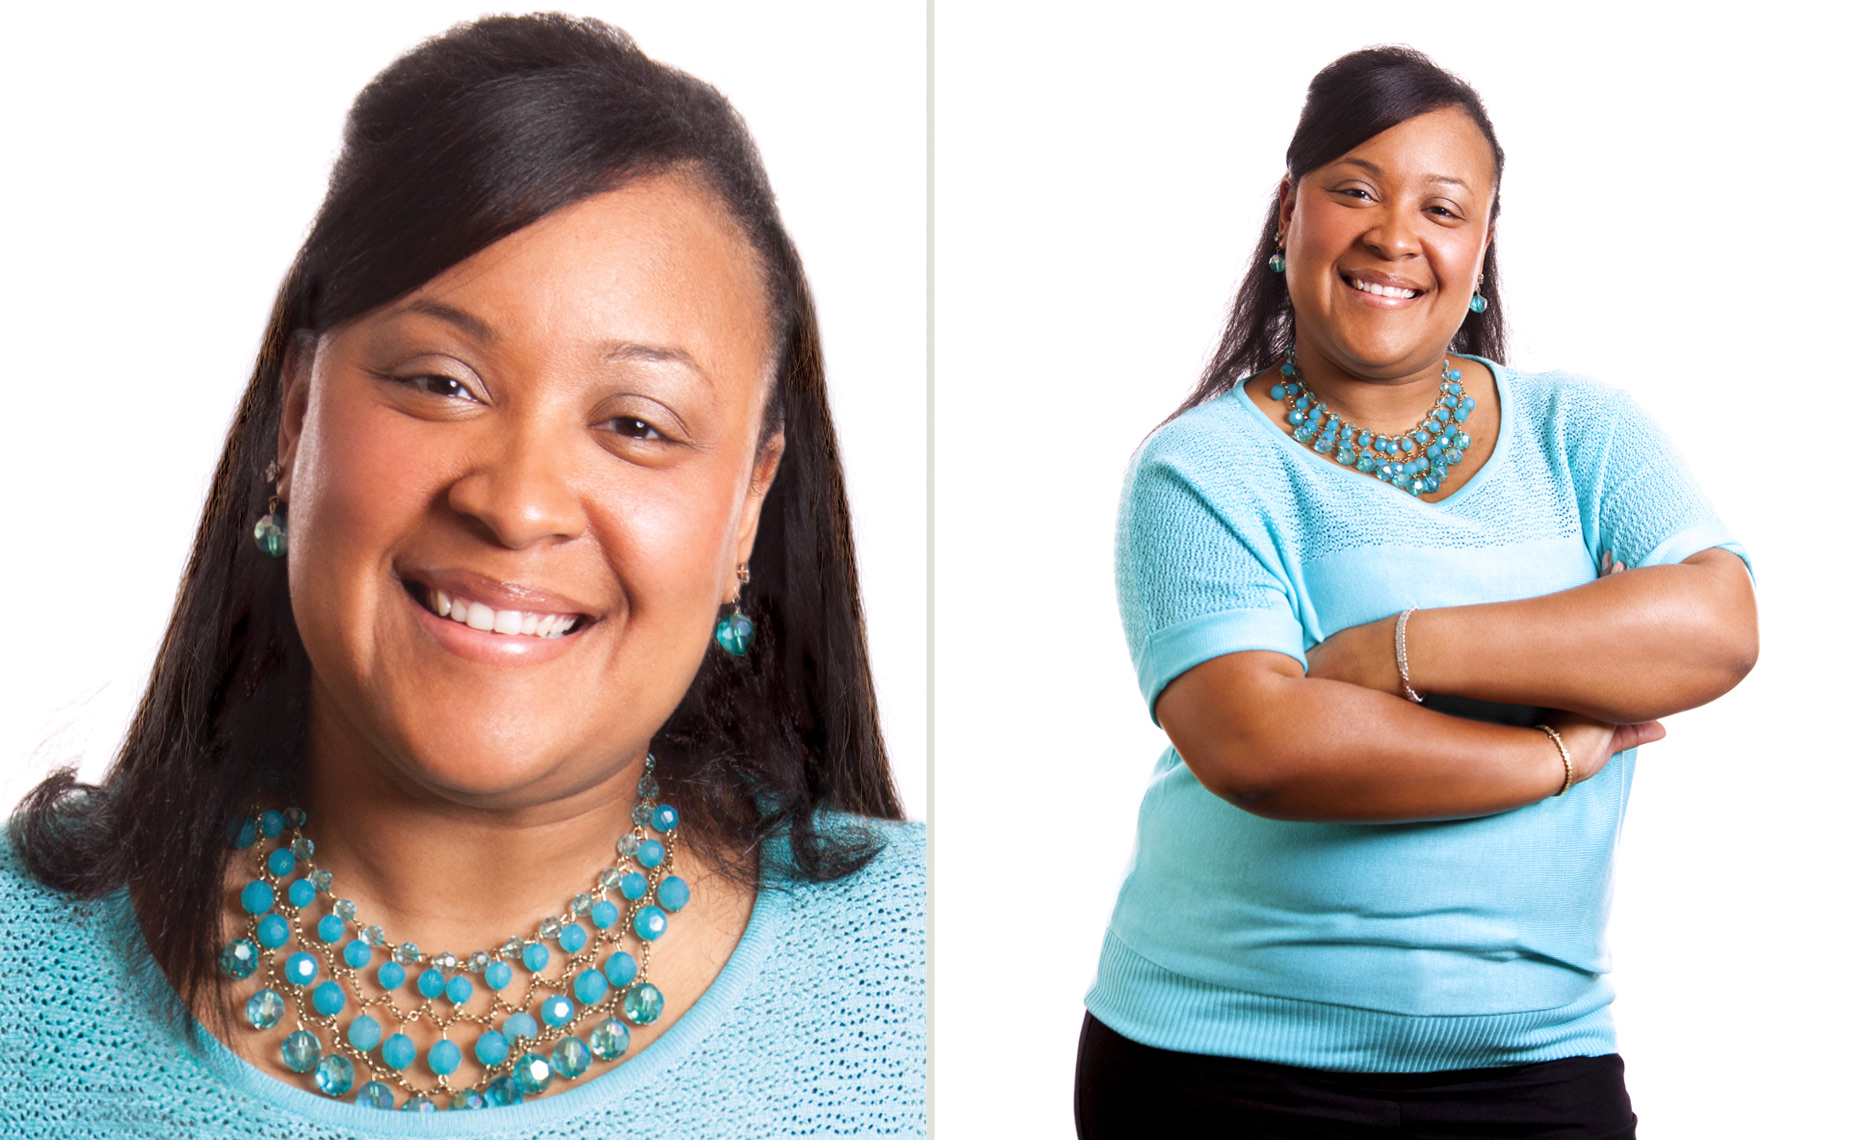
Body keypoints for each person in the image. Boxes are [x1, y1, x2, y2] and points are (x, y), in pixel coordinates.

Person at [0, 14, 923, 1136]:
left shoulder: (935, 974)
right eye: (442, 383)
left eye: (635, 423)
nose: (518, 501)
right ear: (296, 415)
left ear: (749, 510)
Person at [1074, 46, 1756, 1140]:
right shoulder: (1203, 468)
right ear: (1286, 216)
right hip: (1225, 1063)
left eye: (1444, 208)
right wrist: (1552, 752)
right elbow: (1260, 744)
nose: (1396, 236)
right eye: (1355, 190)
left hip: (1538, 1060)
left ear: (1481, 248)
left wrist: (1399, 647)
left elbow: (1716, 626)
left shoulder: (1583, 434)